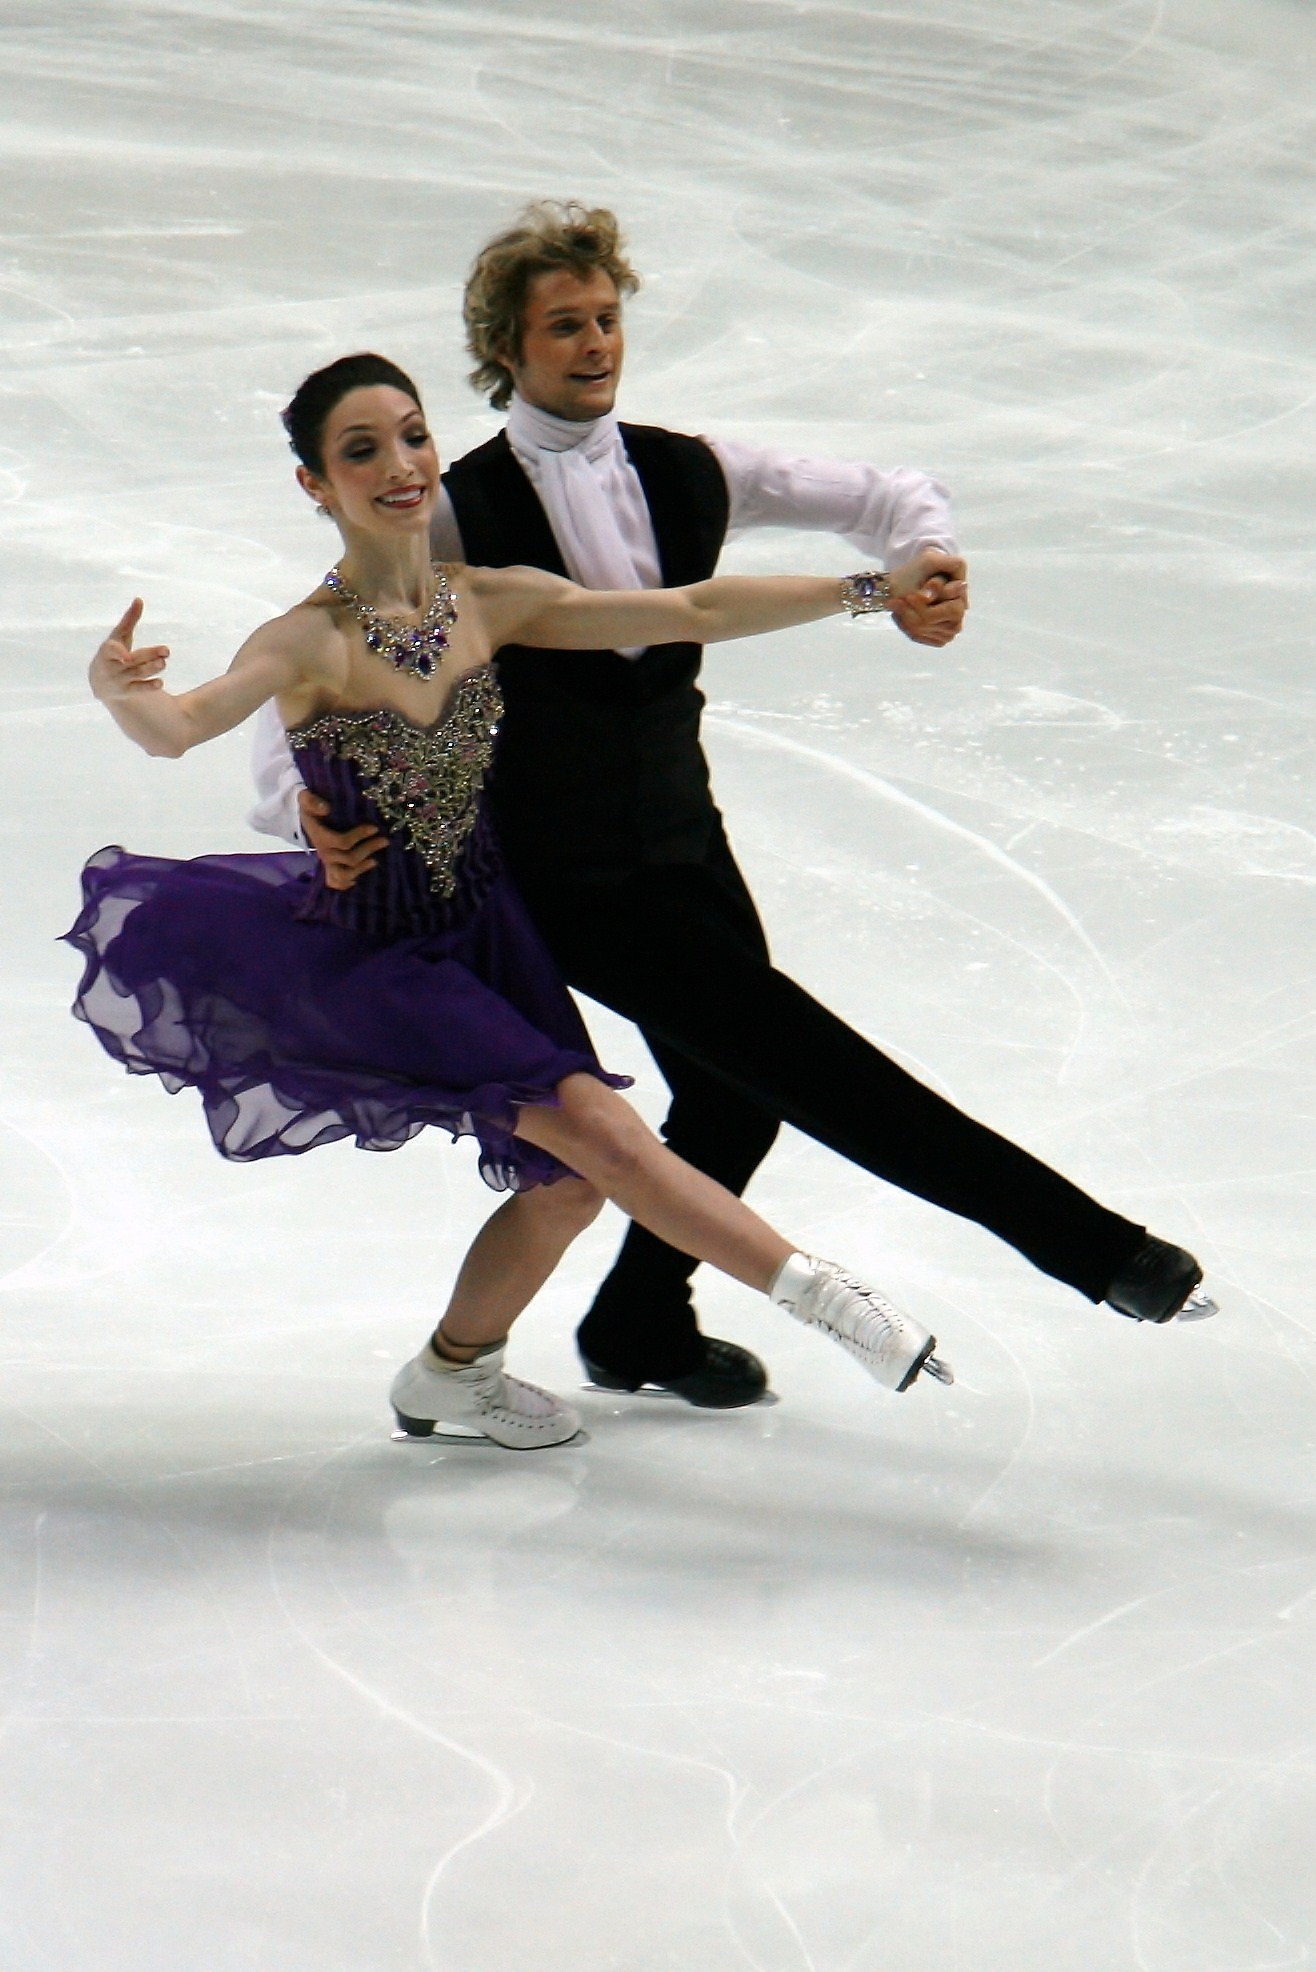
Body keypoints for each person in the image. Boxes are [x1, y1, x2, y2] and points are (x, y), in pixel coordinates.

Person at [250, 205, 1216, 1410]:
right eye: (563, 326)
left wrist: (924, 557)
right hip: (563, 877)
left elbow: (890, 493)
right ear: (505, 346)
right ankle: (1095, 1248)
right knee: (811, 1066)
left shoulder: (690, 467)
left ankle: (639, 1322)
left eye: (606, 318)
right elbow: (311, 662)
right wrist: (299, 802)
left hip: (682, 839)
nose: (595, 343)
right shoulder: (448, 511)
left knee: (726, 1096)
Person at [66, 351, 977, 1452]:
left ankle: (454, 1372)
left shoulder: (483, 600)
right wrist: (124, 696)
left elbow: (687, 603)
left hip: (488, 929)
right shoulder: (305, 638)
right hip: (385, 950)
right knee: (609, 1136)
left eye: (409, 435)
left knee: (561, 1186)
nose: (398, 465)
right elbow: (184, 725)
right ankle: (833, 1302)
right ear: (316, 484)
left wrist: (870, 589)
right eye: (360, 451)